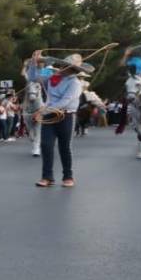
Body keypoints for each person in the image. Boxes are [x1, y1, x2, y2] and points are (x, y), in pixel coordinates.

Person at [31, 51, 92, 188]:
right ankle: (47, 177)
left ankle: (68, 176)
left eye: (67, 66)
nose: (62, 68)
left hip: (66, 116)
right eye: (63, 65)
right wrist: (34, 63)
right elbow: (33, 78)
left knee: (64, 147)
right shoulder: (51, 77)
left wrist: (43, 110)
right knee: (46, 145)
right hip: (49, 116)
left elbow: (65, 101)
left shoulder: (75, 83)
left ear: (73, 70)